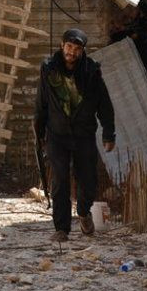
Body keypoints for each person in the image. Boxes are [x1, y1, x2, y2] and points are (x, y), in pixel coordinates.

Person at [34, 28, 116, 242]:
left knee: (87, 179)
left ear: (82, 51)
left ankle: (82, 211)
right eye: (69, 47)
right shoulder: (48, 69)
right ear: (62, 46)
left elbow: (104, 104)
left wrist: (109, 134)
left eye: (76, 49)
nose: (71, 52)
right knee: (60, 180)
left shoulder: (91, 72)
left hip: (83, 134)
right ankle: (61, 229)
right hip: (57, 134)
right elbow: (41, 103)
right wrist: (39, 132)